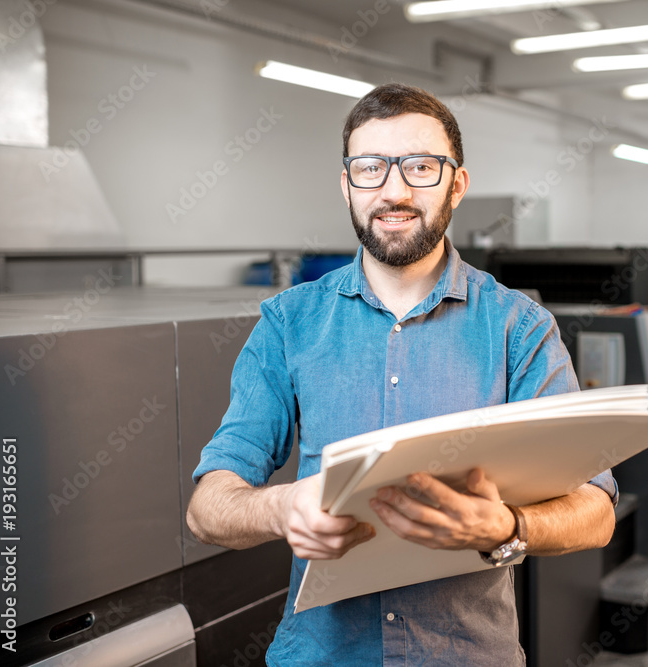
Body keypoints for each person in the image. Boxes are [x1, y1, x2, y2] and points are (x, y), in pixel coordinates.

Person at [186, 82, 617, 666]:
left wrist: (506, 526)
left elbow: (595, 510)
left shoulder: (520, 327)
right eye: (370, 168)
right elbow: (208, 508)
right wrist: (281, 507)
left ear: (457, 184)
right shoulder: (289, 324)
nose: (393, 190)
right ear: (346, 185)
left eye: (419, 167)